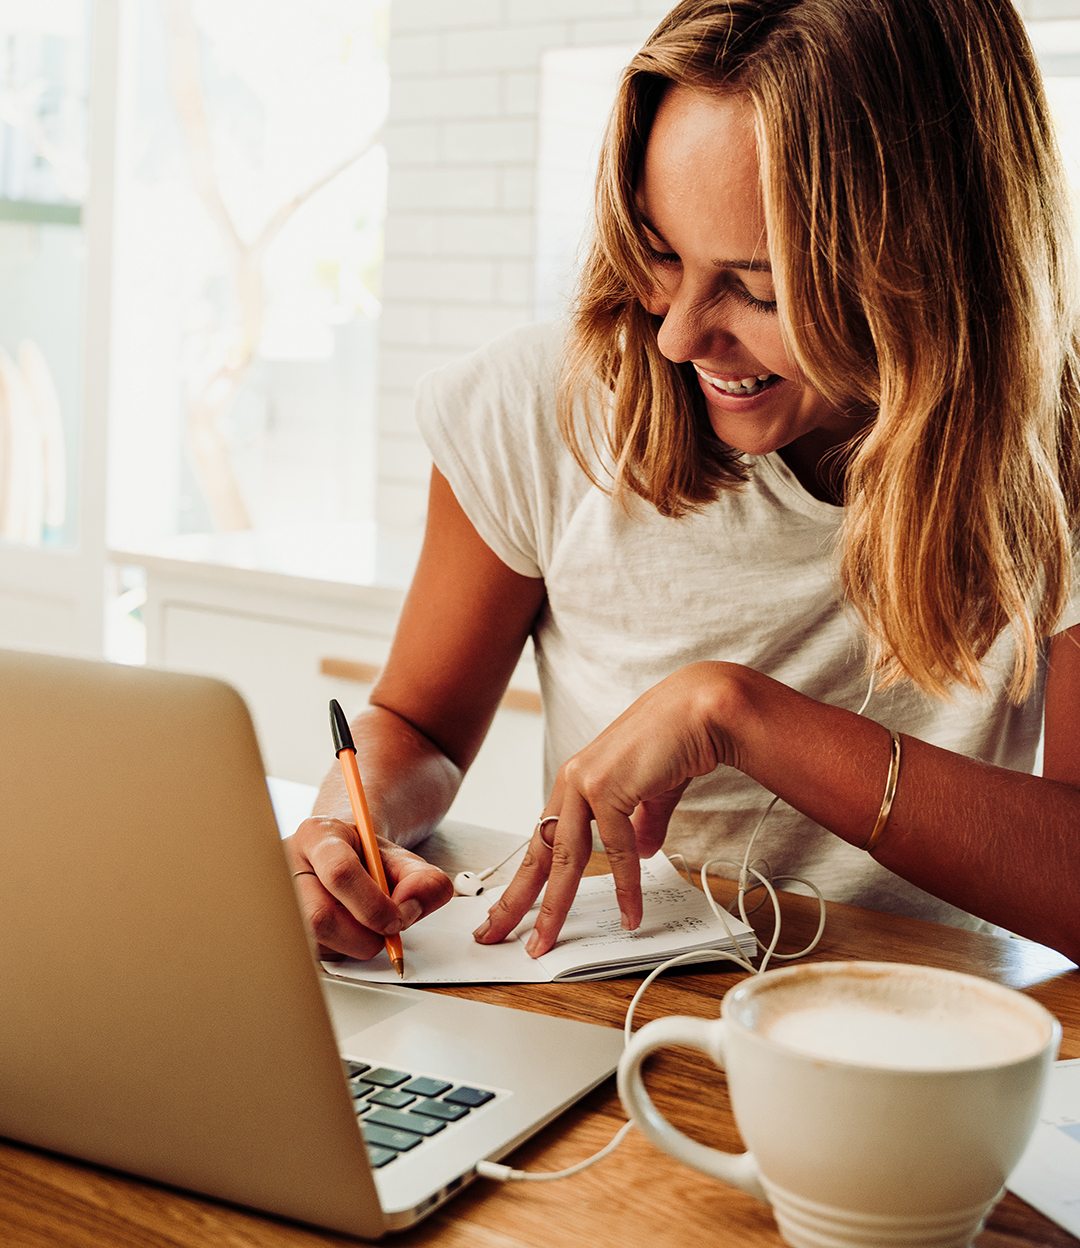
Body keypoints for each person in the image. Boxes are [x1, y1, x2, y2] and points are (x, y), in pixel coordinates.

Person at [286, 0, 1080, 965]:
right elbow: (418, 727)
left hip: (924, 1030)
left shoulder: (1059, 452)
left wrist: (739, 716)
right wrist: (349, 826)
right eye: (660, 252)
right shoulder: (537, 407)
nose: (676, 335)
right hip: (601, 1012)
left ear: (936, 266)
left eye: (760, 288)